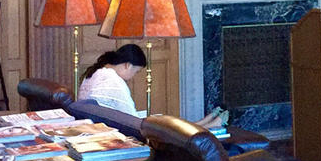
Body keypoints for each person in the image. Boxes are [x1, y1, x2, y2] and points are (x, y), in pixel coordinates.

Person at [78, 45, 226, 127]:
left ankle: (201, 124)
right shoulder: (113, 81)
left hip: (108, 125)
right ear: (127, 65)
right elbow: (132, 120)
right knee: (161, 123)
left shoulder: (95, 72)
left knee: (160, 120)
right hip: (120, 129)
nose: (133, 77)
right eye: (136, 72)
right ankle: (208, 126)